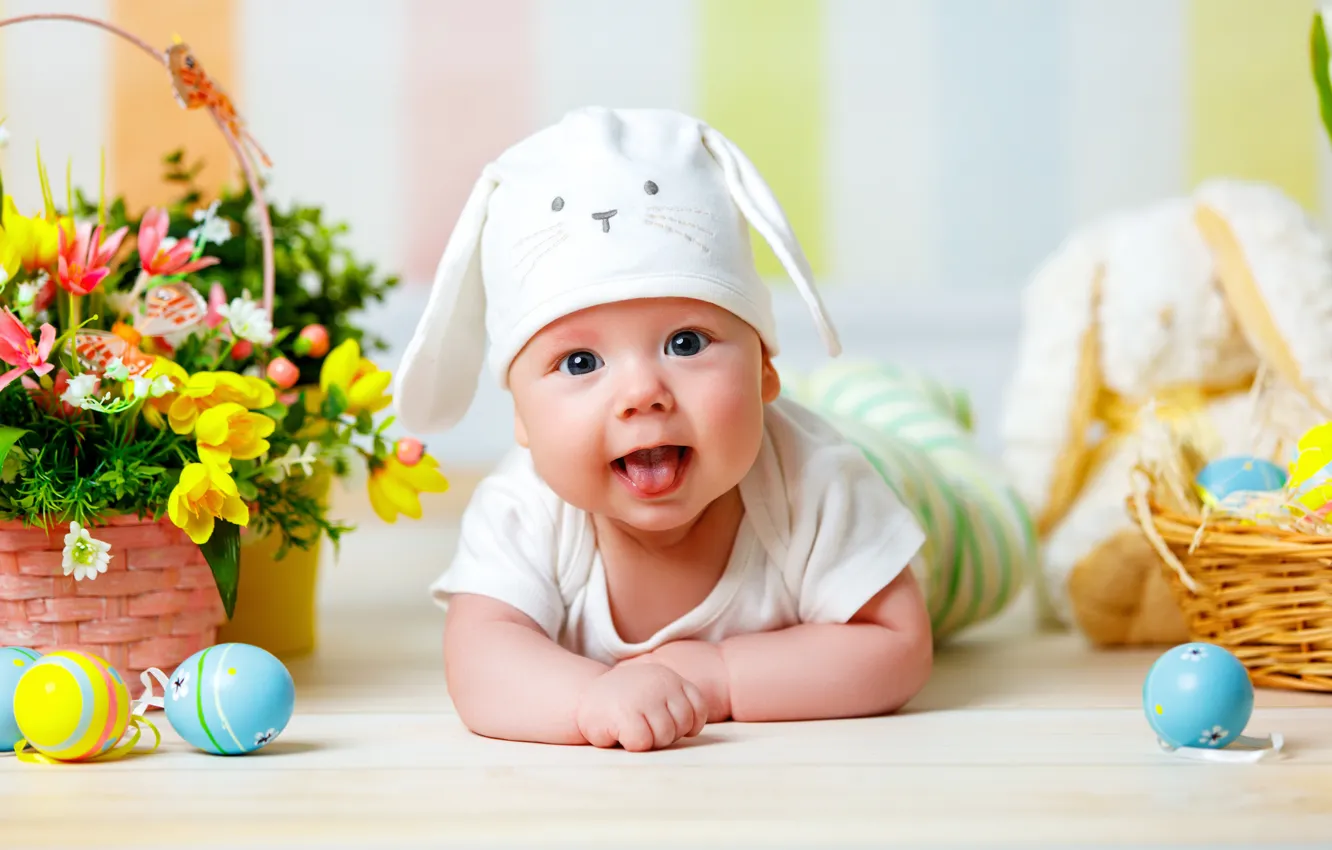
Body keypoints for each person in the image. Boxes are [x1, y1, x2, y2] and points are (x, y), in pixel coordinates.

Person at [393, 107, 1033, 751]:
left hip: (919, 496)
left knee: (1002, 522)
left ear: (761, 369)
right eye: (580, 362)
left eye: (686, 341)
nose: (642, 393)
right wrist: (590, 699)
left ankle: (905, 400)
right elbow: (480, 656)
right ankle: (849, 391)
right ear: (520, 421)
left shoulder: (819, 481)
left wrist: (719, 675)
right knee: (830, 405)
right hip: (766, 421)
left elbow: (896, 645)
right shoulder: (522, 509)